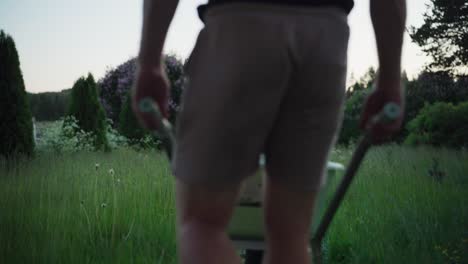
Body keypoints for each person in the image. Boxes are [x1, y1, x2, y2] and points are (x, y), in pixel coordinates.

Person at [132, 0, 406, 263]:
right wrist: (391, 79)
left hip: (241, 25)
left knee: (201, 225)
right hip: (326, 36)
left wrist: (150, 63)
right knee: (292, 236)